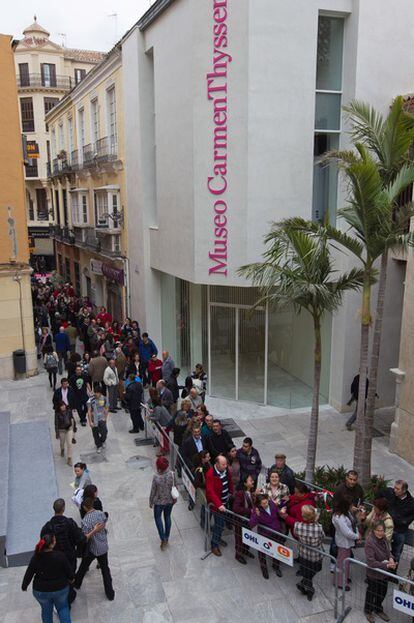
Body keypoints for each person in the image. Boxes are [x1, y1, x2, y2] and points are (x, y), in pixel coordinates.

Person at [40, 498, 103, 605]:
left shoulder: (47, 527)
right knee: (69, 577)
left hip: (54, 559)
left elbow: (43, 543)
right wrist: (94, 531)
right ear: (63, 509)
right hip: (69, 558)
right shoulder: (69, 523)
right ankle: (67, 598)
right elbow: (82, 538)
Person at [21, 533, 74, 623]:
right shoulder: (60, 556)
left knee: (46, 611)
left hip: (41, 591)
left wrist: (24, 586)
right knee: (63, 608)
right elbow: (70, 572)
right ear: (52, 544)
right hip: (60, 589)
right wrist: (72, 579)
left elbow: (28, 574)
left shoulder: (36, 557)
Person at [74, 497, 115, 601]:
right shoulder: (100, 514)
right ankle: (110, 593)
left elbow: (85, 537)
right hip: (103, 547)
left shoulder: (85, 521)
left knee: (83, 566)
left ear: (84, 507)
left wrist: (93, 531)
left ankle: (77, 583)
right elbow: (105, 520)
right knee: (105, 569)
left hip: (93, 548)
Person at [364, 520, 396, 622]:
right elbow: (371, 563)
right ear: (373, 530)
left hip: (384, 573)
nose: (380, 532)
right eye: (378, 530)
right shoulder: (369, 542)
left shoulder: (384, 538)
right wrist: (387, 565)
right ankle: (368, 611)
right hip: (373, 574)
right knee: (372, 592)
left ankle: (378, 609)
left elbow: (388, 551)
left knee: (382, 592)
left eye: (382, 530)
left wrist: (391, 558)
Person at [249, 493, 286, 578]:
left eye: (267, 502)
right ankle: (264, 569)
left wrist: (281, 512)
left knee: (277, 551)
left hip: (277, 532)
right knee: (262, 553)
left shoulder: (271, 503)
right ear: (259, 504)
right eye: (264, 503)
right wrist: (257, 516)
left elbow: (277, 512)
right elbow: (251, 524)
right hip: (264, 535)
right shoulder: (256, 510)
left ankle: (276, 567)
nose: (266, 504)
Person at [205, 455, 234, 556]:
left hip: (225, 501)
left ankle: (217, 538)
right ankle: (214, 545)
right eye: (223, 464)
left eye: (226, 464)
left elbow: (230, 481)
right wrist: (219, 504)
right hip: (216, 505)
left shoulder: (226, 471)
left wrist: (231, 492)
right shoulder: (210, 474)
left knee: (220, 525)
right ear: (217, 464)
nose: (226, 466)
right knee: (220, 524)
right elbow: (210, 491)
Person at [295, 505, 325, 601]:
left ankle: (303, 584)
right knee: (313, 571)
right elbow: (322, 537)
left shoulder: (298, 526)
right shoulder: (318, 528)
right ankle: (310, 590)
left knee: (306, 571)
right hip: (315, 555)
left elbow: (296, 534)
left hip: (303, 553)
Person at [383, 480, 414, 563]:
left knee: (396, 553)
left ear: (404, 491)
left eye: (397, 489)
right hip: (386, 528)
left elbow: (406, 521)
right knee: (383, 550)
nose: (395, 490)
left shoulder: (411, 503)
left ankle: (392, 573)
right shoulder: (391, 494)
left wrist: (394, 518)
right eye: (395, 488)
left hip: (399, 532)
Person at [332, 497, 360, 590]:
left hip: (346, 542)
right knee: (342, 563)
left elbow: (352, 523)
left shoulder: (345, 513)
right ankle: (340, 583)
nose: (352, 507)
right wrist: (357, 536)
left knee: (345, 562)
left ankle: (344, 579)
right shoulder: (339, 517)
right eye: (350, 505)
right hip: (343, 543)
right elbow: (346, 532)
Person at [149, 456, 176, 550]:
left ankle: (162, 538)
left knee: (158, 518)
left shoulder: (156, 477)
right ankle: (167, 536)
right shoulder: (172, 474)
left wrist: (150, 501)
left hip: (159, 502)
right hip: (169, 501)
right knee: (167, 517)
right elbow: (174, 486)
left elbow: (153, 490)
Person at [233, 474, 255, 564]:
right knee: (239, 539)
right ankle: (238, 555)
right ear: (245, 483)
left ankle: (245, 551)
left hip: (247, 521)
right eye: (250, 480)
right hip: (240, 521)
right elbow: (236, 508)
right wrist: (250, 511)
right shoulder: (240, 494)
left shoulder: (251, 492)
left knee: (247, 537)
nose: (253, 481)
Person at [87, 383, 109, 454]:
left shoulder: (104, 398)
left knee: (104, 432)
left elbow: (106, 408)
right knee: (95, 433)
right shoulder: (91, 399)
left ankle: (103, 440)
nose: (97, 394)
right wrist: (90, 421)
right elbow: (89, 411)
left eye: (98, 393)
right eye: (96, 393)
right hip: (94, 419)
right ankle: (98, 445)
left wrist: (105, 418)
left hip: (102, 418)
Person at [55, 402, 77, 466]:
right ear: (59, 407)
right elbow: (56, 424)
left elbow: (72, 419)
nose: (63, 407)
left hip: (69, 429)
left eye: (64, 405)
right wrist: (57, 433)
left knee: (69, 444)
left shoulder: (69, 411)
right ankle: (62, 449)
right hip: (61, 430)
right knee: (62, 443)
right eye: (61, 406)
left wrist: (74, 428)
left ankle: (69, 458)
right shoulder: (57, 414)